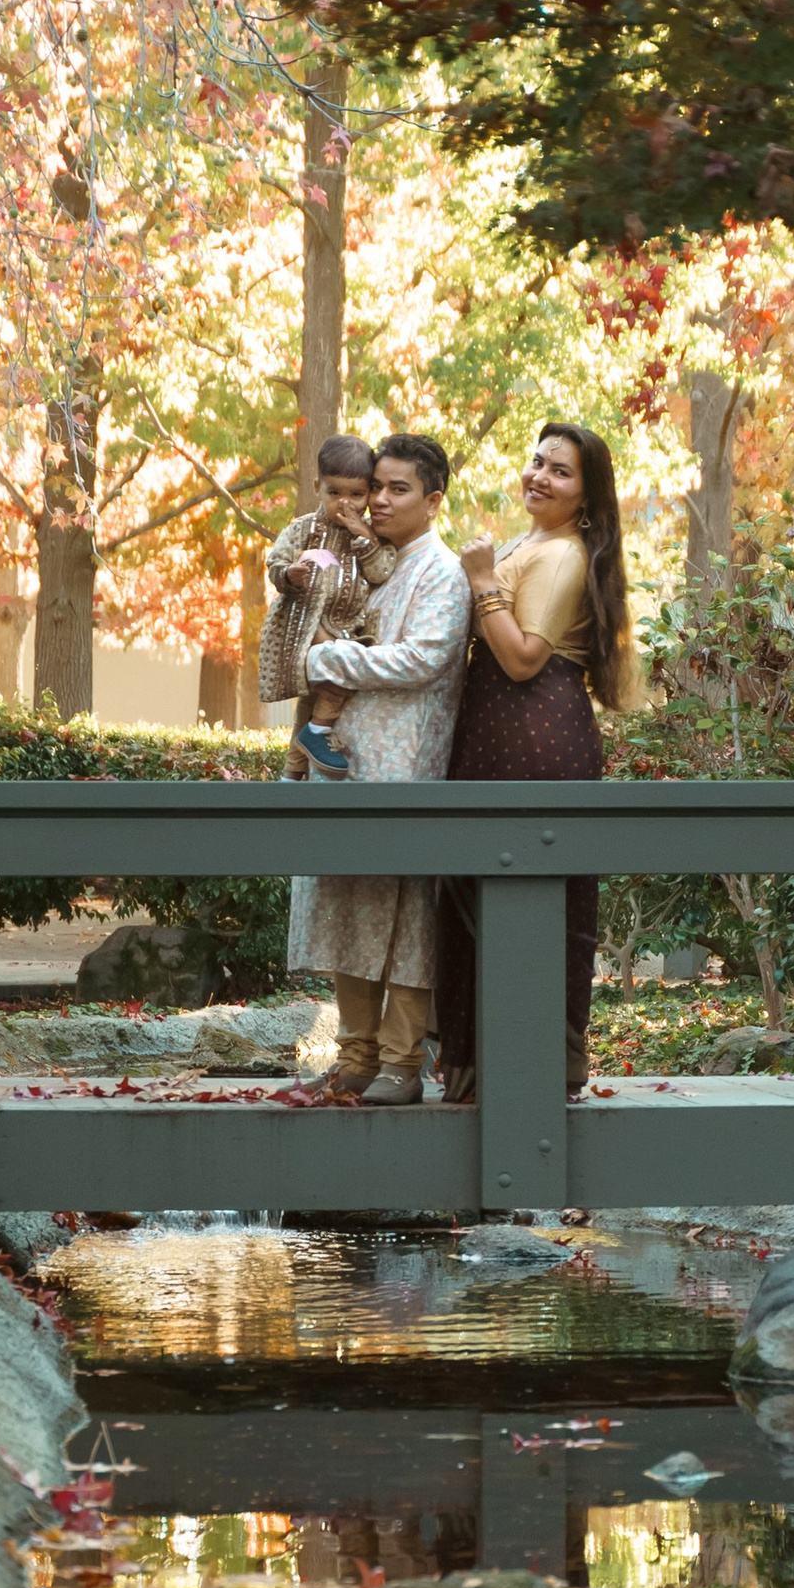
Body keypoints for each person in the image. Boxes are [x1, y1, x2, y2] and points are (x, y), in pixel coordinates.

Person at [434, 418, 636, 1102]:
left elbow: (522, 658)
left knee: (540, 900)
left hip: (534, 732)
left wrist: (483, 576)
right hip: (497, 731)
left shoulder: (565, 554)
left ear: (586, 494)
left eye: (559, 471)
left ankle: (541, 1071)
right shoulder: (534, 541)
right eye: (536, 461)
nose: (539, 476)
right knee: (471, 891)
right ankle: (475, 1069)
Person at [284, 434, 472, 1106]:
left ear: (433, 500)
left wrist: (323, 661)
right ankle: (355, 1055)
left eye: (399, 489)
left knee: (407, 918)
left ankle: (400, 1060)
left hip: (407, 765)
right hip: (344, 761)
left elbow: (420, 660)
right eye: (377, 487)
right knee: (346, 908)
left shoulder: (440, 572)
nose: (381, 500)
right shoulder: (367, 563)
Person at [258, 436, 396, 779]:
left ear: (368, 493)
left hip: (346, 627)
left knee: (313, 698)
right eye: (335, 493)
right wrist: (289, 574)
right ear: (318, 487)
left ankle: (293, 771)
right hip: (306, 624)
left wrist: (363, 537)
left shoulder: (370, 534)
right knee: (336, 679)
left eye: (356, 495)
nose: (344, 503)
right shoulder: (304, 528)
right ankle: (318, 734)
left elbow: (381, 571)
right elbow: (276, 559)